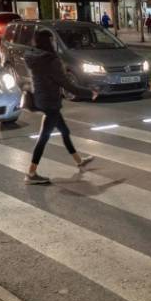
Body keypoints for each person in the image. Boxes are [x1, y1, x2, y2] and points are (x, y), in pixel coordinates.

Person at [24, 30, 98, 185]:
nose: (54, 44)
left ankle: (79, 161)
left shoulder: (34, 57)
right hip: (50, 102)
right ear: (48, 42)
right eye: (52, 41)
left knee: (65, 131)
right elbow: (67, 85)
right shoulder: (51, 61)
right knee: (43, 138)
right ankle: (31, 173)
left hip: (42, 99)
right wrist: (89, 93)